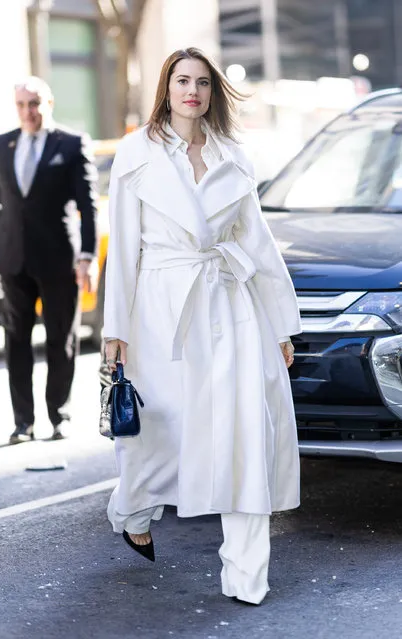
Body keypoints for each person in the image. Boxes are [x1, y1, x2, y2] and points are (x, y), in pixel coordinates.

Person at [103, 47, 301, 605]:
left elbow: (255, 241)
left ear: (213, 93)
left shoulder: (233, 155)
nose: (192, 91)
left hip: (231, 303)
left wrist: (281, 325)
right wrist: (114, 328)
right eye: (182, 81)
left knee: (244, 432)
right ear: (166, 87)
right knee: (160, 430)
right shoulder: (135, 153)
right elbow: (123, 250)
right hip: (161, 310)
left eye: (203, 83)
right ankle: (132, 506)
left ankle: (246, 575)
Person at [0, 76, 98, 444]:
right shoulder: (2, 144)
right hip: (12, 259)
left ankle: (58, 415)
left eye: (34, 104)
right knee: (16, 340)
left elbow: (87, 205)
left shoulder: (72, 143)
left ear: (49, 104)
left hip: (59, 259)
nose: (28, 112)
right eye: (21, 105)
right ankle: (23, 422)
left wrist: (87, 256)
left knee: (62, 338)